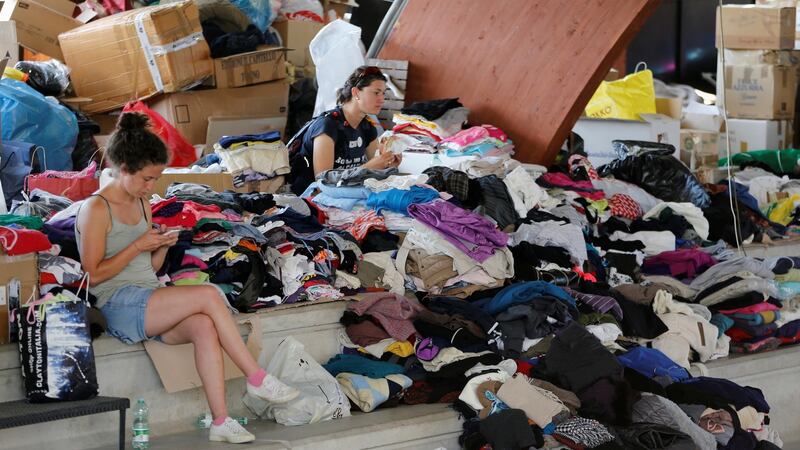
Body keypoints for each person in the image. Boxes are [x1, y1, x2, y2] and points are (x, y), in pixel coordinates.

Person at [75, 113, 298, 444]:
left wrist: (161, 245)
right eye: (148, 179)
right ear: (124, 170)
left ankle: (220, 420)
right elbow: (92, 275)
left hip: (148, 298)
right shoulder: (95, 208)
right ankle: (256, 377)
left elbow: (149, 268)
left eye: (156, 179)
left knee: (204, 326)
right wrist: (139, 243)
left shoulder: (143, 202)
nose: (152, 188)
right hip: (118, 304)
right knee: (207, 295)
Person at [290, 65, 402, 194]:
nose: (382, 99)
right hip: (312, 199)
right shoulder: (327, 126)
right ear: (355, 93)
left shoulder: (367, 127)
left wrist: (389, 165)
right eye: (376, 93)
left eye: (383, 93)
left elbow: (374, 170)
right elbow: (322, 182)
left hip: (345, 193)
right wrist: (368, 167)